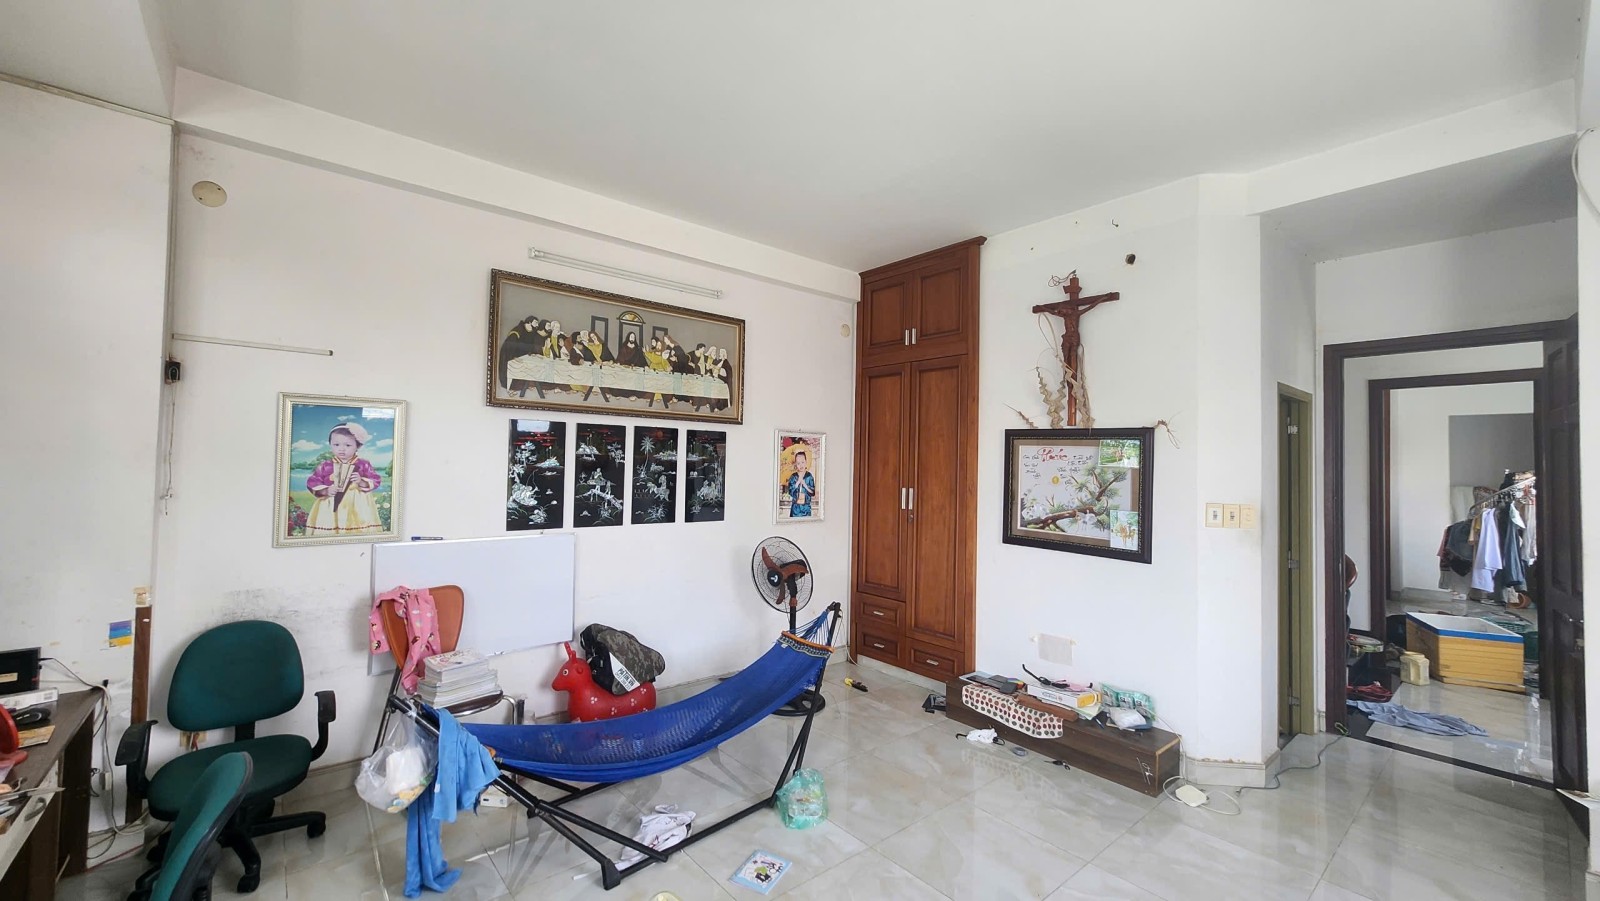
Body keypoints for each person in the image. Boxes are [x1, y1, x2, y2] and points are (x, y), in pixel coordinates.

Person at [304, 422, 385, 535]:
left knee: (359, 526)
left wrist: (361, 481)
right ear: (330, 444)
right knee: (330, 525)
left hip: (358, 503)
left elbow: (375, 480)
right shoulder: (326, 465)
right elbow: (313, 481)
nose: (341, 449)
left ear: (358, 446)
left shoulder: (363, 464)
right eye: (336, 445)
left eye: (347, 445)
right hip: (331, 503)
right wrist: (326, 490)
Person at [785, 448, 816, 518]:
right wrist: (797, 482)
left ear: (806, 462)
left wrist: (805, 485)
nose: (801, 465)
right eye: (798, 463)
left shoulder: (809, 476)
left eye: (802, 462)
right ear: (796, 464)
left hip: (806, 508)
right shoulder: (793, 476)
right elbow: (790, 492)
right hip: (795, 508)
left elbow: (812, 492)